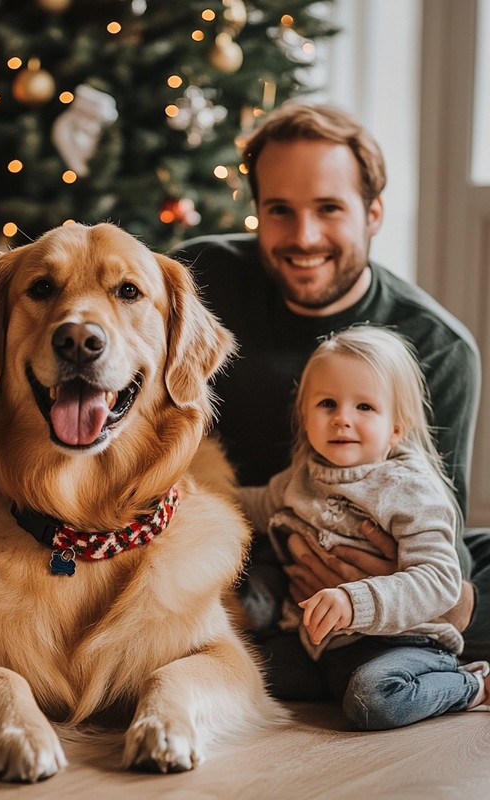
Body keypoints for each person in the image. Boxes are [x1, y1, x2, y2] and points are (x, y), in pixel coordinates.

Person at [173, 101, 490, 698]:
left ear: (373, 213)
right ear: (257, 212)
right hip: (245, 541)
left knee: (468, 587)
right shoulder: (206, 276)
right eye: (280, 211)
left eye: (329, 209)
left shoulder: (437, 347)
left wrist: (375, 585)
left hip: (373, 554)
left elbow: (442, 544)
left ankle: (449, 678)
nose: (304, 237)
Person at [237, 325, 489, 729]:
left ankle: (470, 684)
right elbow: (252, 505)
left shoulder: (408, 488)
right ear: (304, 415)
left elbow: (441, 580)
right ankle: (337, 681)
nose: (342, 420)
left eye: (365, 408)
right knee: (243, 667)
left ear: (396, 426)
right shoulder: (298, 478)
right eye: (328, 404)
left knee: (372, 700)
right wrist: (196, 494)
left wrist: (357, 602)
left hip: (404, 641)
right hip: (322, 646)